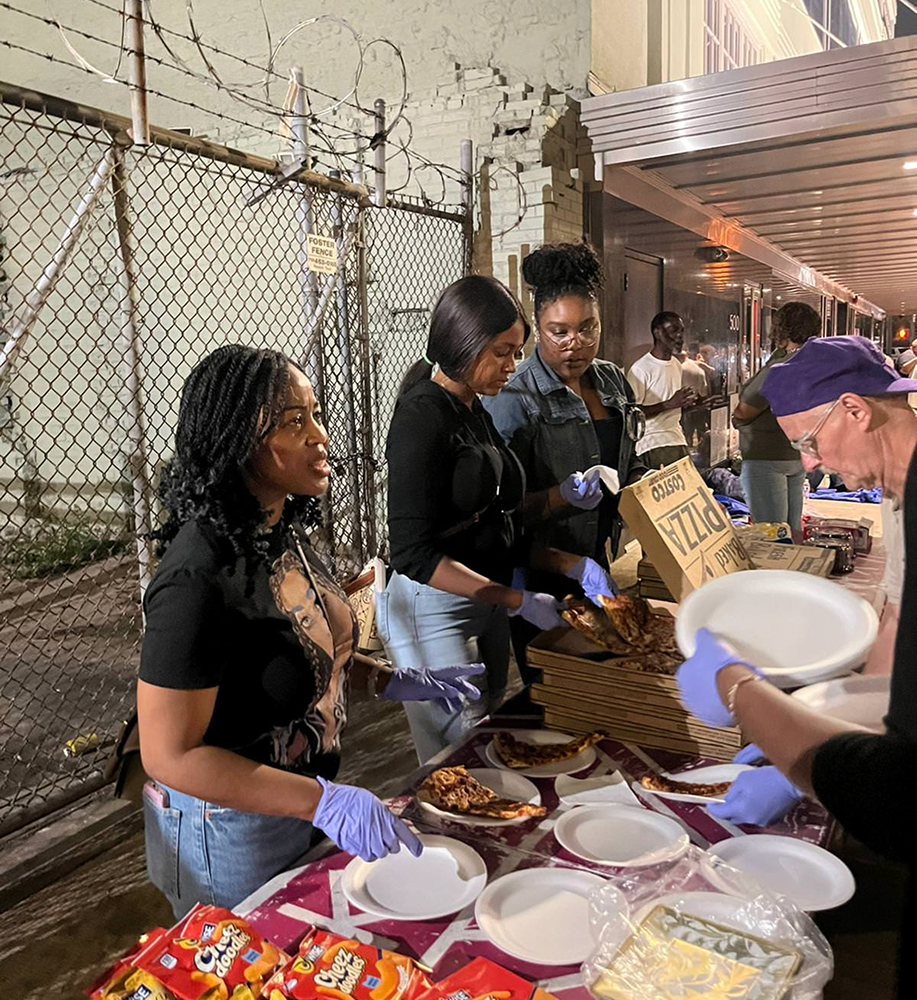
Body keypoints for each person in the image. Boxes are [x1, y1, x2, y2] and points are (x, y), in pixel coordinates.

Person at [138, 345, 485, 918]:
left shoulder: (281, 527)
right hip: (231, 830)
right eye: (294, 422)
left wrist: (398, 682)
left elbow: (304, 654)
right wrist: (322, 802)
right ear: (236, 440)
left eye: (316, 414)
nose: (321, 436)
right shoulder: (197, 576)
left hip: (298, 802)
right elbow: (169, 755)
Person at [676, 336, 917, 995]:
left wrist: (746, 695)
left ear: (854, 410)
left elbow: (901, 790)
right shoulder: (901, 494)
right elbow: (894, 623)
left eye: (810, 443)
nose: (809, 467)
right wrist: (822, 719)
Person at [381, 275, 617, 761]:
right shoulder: (421, 417)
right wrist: (514, 598)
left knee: (486, 736)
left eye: (516, 352)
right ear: (462, 345)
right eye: (502, 352)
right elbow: (411, 552)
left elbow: (494, 522)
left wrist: (568, 565)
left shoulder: (472, 408)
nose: (513, 367)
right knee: (458, 753)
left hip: (486, 599)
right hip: (436, 608)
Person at [483, 243, 645, 673]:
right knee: (552, 686)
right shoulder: (514, 397)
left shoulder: (611, 379)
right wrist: (560, 497)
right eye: (560, 332)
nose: (576, 344)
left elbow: (629, 460)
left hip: (599, 559)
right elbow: (496, 514)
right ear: (537, 328)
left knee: (600, 680)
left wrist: (653, 489)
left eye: (588, 328)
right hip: (540, 570)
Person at [731, 301, 820, 531]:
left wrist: (738, 421)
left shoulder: (780, 366)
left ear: (782, 328)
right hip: (794, 455)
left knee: (772, 534)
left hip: (766, 457)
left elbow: (746, 407)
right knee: (792, 528)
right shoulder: (811, 363)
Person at [627, 311, 698, 469]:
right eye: (674, 330)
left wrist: (697, 403)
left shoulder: (676, 364)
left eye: (681, 331)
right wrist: (668, 404)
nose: (680, 336)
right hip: (653, 443)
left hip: (677, 439)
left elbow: (675, 406)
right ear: (657, 333)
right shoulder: (641, 369)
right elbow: (631, 413)